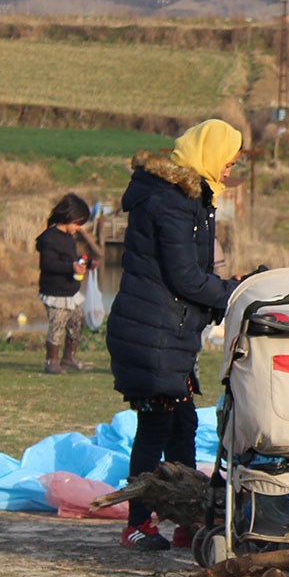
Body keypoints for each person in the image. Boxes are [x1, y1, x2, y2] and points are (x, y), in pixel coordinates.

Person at [107, 119, 245, 551]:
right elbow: (185, 276)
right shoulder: (172, 202)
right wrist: (234, 294)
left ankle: (188, 516)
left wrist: (230, 286)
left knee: (182, 424)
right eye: (228, 161)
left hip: (169, 333)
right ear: (210, 154)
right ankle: (137, 523)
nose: (230, 170)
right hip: (153, 336)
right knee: (155, 429)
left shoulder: (192, 200)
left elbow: (195, 273)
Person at [34, 193, 98, 375]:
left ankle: (68, 358)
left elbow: (70, 259)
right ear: (68, 218)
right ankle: (51, 362)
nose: (79, 228)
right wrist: (71, 267)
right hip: (56, 294)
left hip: (71, 293)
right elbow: (48, 264)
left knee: (76, 324)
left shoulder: (68, 238)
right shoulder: (50, 238)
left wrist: (86, 263)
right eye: (78, 224)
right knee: (57, 326)